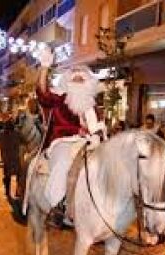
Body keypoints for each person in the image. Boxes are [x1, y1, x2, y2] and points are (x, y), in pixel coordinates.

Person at [34, 46, 107, 219]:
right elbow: (43, 94)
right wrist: (44, 68)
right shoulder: (60, 99)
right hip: (63, 141)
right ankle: (57, 203)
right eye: (75, 79)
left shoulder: (93, 106)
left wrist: (99, 136)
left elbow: (99, 128)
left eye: (82, 79)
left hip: (91, 143)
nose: (79, 81)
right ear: (68, 82)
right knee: (63, 162)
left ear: (89, 83)